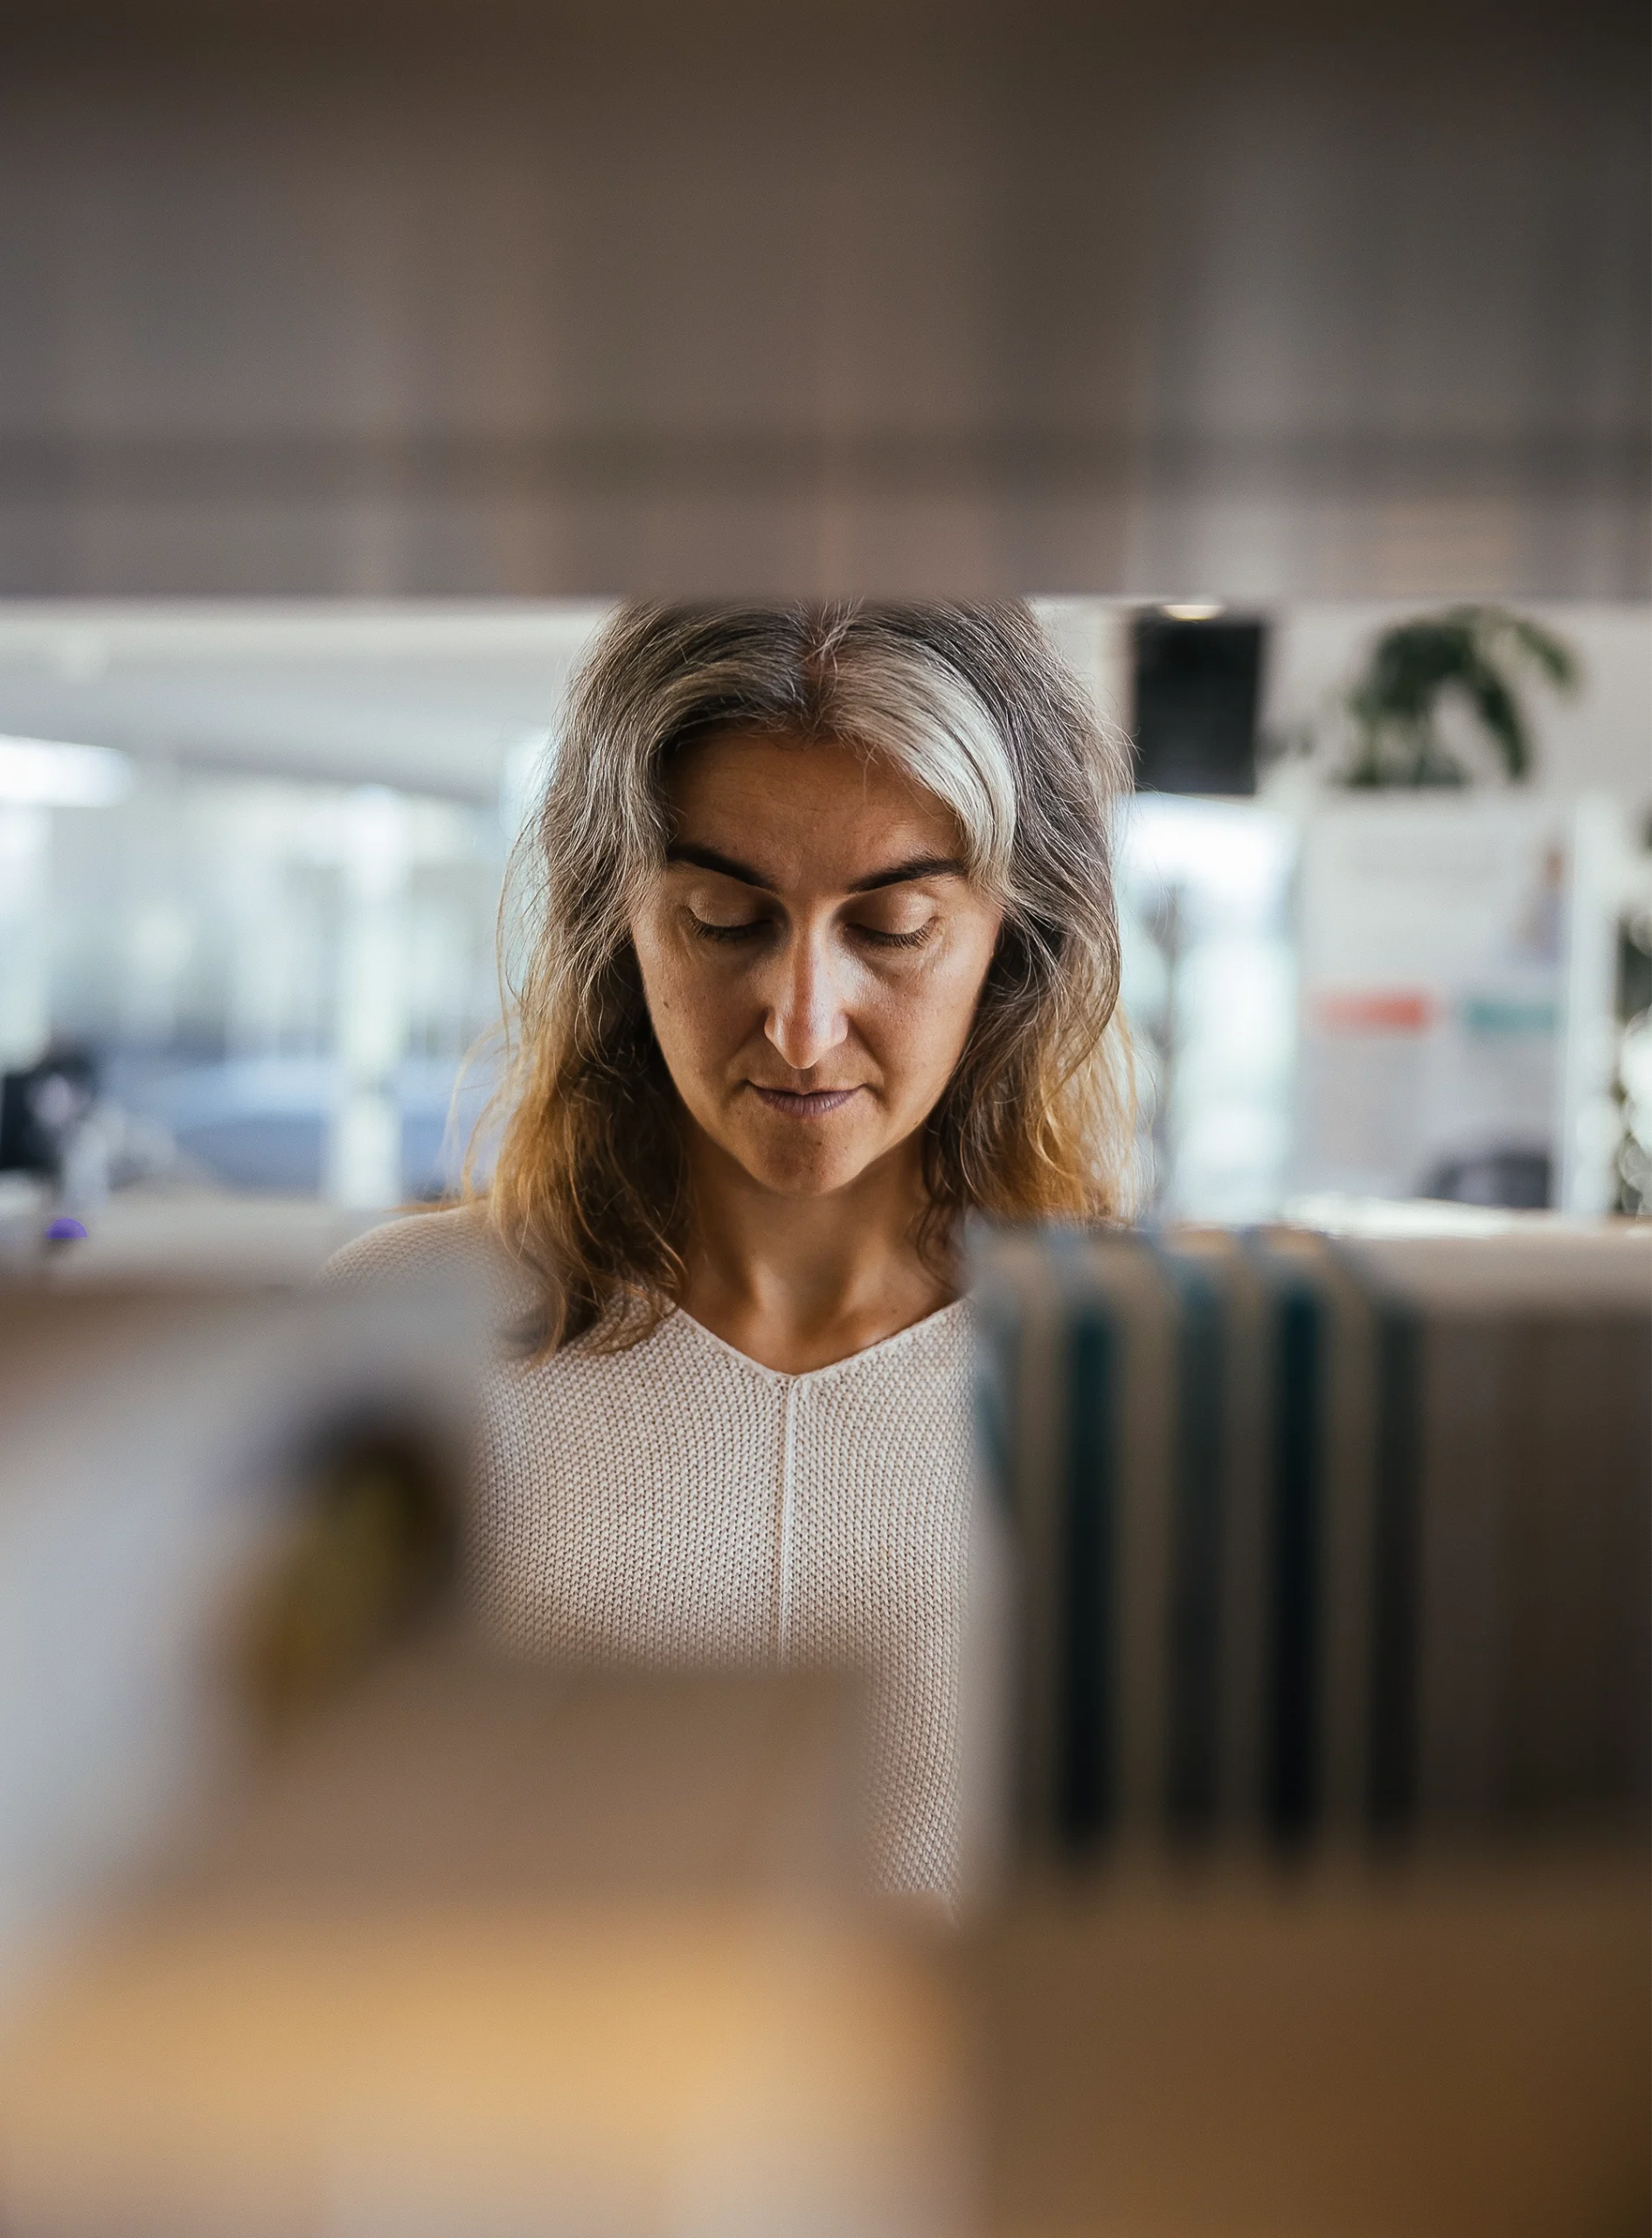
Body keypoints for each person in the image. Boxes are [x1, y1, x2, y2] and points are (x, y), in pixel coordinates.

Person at [325, 601, 1132, 1899]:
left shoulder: (1139, 1373)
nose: (804, 1027)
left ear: (1012, 942)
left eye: (893, 929)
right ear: (620, 922)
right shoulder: (405, 1337)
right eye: (721, 917)